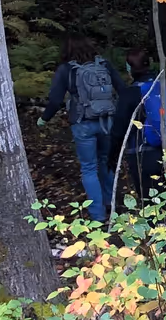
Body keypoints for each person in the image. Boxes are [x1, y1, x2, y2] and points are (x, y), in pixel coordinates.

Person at [39, 36, 122, 222]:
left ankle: (97, 216)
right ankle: (112, 205)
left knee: (89, 168)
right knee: (106, 162)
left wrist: (44, 119)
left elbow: (55, 100)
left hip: (83, 123)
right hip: (107, 121)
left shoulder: (67, 69)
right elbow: (122, 89)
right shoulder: (104, 64)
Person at [117, 48, 166, 202]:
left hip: (143, 155)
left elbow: (118, 129)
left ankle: (155, 225)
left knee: (149, 201)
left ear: (129, 69)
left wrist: (112, 157)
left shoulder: (129, 94)